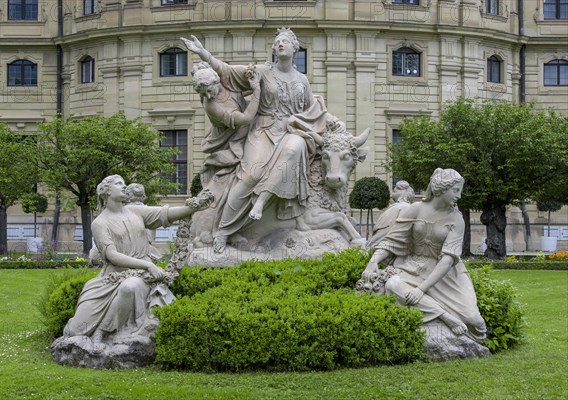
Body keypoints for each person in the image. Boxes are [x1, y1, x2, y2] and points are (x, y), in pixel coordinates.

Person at [183, 28, 332, 253]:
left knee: (296, 147)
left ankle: (261, 202)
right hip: (263, 130)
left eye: (285, 42)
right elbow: (227, 72)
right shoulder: (261, 71)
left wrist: (332, 124)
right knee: (250, 175)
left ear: (295, 48)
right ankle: (223, 230)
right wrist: (204, 54)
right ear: (273, 49)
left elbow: (314, 110)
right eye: (277, 42)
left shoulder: (302, 80)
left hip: (292, 132)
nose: (280, 44)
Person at [63, 175, 211, 343]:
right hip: (112, 277)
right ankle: (94, 330)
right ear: (106, 191)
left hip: (140, 275)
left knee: (130, 287)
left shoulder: (135, 211)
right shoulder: (99, 223)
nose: (124, 186)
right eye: (119, 184)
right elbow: (112, 255)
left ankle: (104, 332)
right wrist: (148, 265)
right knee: (77, 329)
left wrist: (193, 207)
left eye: (124, 183)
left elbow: (166, 214)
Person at [360, 168, 486, 343]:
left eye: (460, 191)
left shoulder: (456, 219)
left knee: (474, 321)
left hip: (446, 274)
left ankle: (438, 310)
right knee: (393, 284)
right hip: (413, 267)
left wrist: (421, 290)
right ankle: (445, 317)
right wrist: (373, 261)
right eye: (456, 190)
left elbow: (448, 260)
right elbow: (393, 240)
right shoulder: (415, 209)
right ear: (441, 188)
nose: (459, 196)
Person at [190, 62, 261, 242]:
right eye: (202, 93)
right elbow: (245, 118)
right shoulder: (211, 105)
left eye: (208, 90)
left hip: (248, 134)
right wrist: (257, 91)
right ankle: (224, 228)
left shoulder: (226, 84)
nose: (207, 95)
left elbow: (236, 92)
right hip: (231, 143)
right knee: (239, 179)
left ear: (217, 82)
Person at [367, 180, 415, 247]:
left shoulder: (404, 207)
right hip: (381, 240)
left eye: (395, 191)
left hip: (383, 241)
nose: (392, 194)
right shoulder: (399, 206)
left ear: (403, 192)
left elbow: (399, 227)